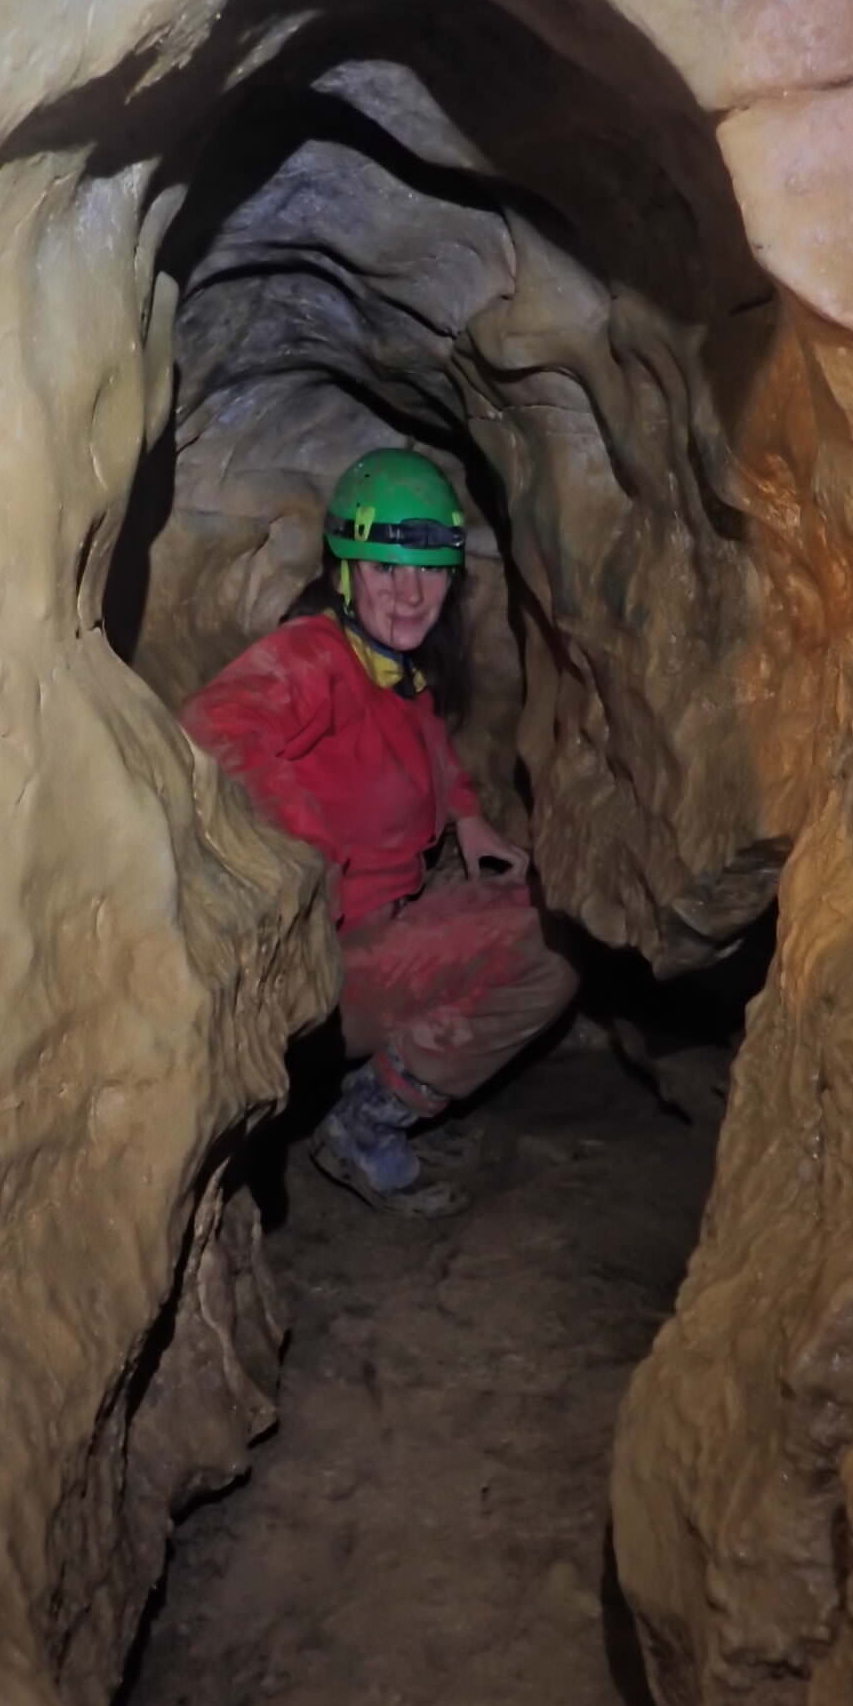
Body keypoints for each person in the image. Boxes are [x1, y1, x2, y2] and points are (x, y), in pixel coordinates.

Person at [180, 449, 577, 1216]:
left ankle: (391, 1085)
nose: (408, 592)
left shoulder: (397, 675)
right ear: (345, 571)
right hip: (333, 961)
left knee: (545, 894)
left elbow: (430, 750)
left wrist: (469, 819)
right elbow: (214, 725)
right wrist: (307, 855)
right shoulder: (315, 657)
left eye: (428, 571)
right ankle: (365, 1120)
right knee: (552, 950)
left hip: (382, 925)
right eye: (385, 568)